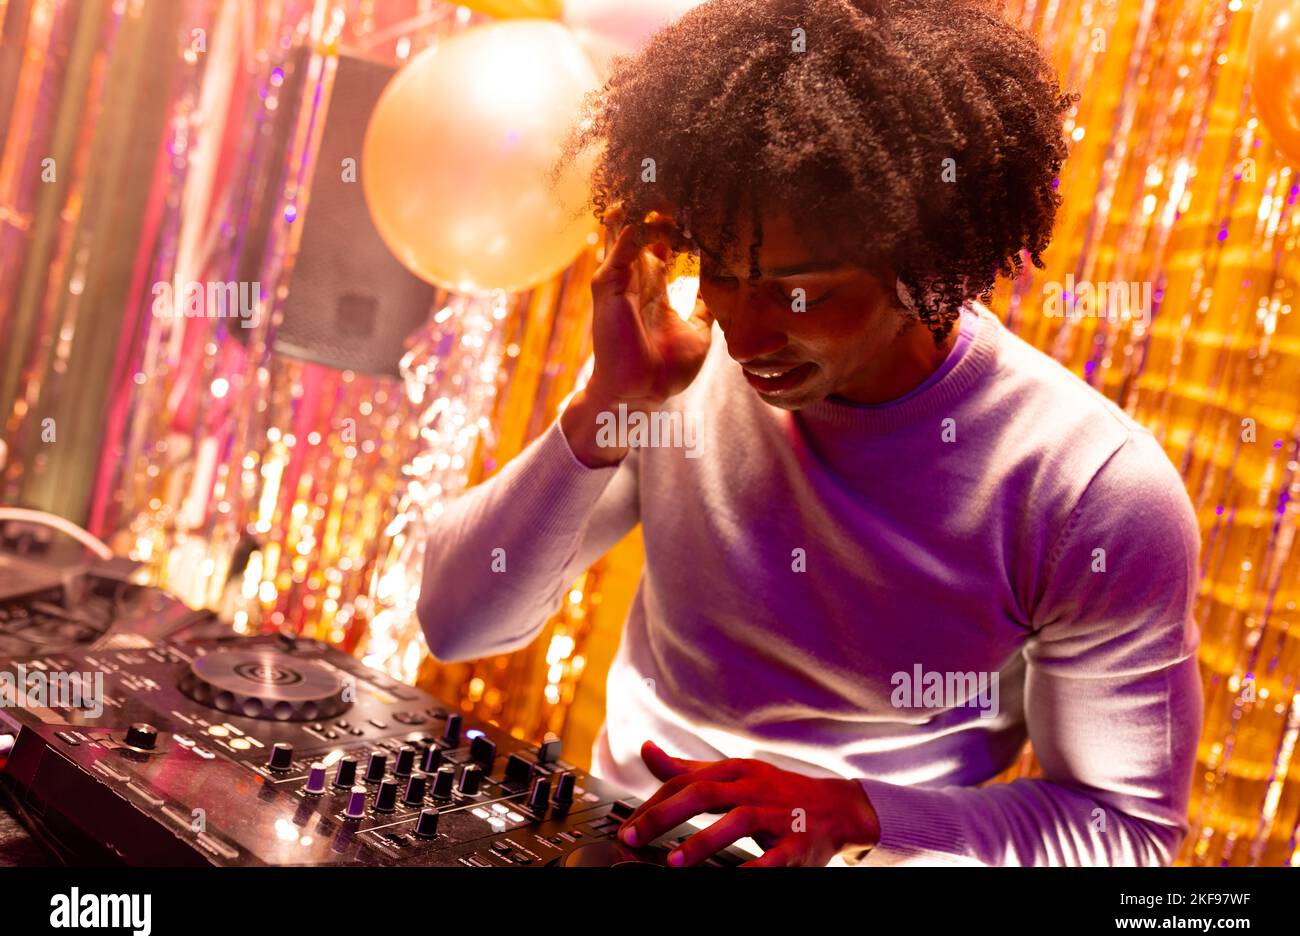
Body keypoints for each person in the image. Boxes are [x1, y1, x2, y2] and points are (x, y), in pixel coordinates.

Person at [417, 0, 1204, 866]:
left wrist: (858, 812)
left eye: (803, 294)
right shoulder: (674, 367)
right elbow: (457, 625)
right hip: (628, 839)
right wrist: (609, 402)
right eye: (720, 270)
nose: (743, 336)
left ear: (926, 265)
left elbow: (1123, 832)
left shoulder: (1093, 488)